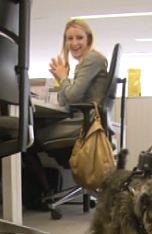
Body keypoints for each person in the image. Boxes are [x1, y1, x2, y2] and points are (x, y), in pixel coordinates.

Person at [23, 19, 109, 210]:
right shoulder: (84, 63)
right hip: (84, 121)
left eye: (79, 37)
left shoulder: (92, 59)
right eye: (70, 38)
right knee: (32, 132)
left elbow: (70, 97)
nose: (74, 43)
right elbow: (65, 100)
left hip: (85, 124)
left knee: (27, 139)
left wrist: (63, 78)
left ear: (88, 39)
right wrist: (64, 78)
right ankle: (45, 191)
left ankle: (45, 193)